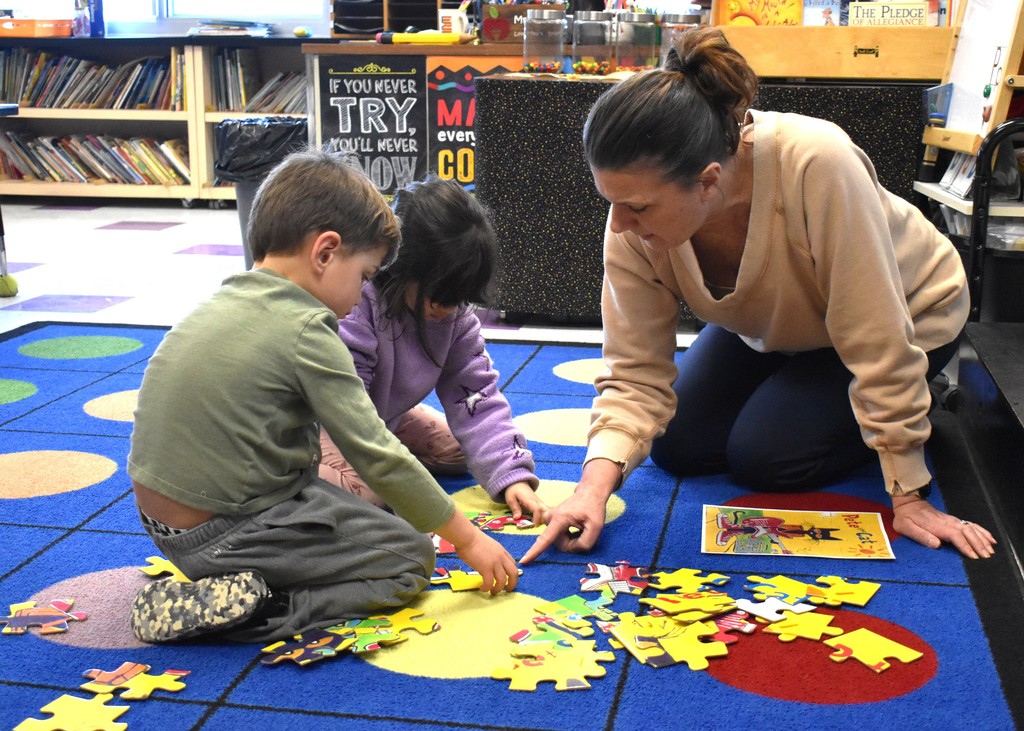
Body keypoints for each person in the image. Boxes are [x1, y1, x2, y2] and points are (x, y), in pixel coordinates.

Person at [521, 27, 996, 565]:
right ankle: (803, 390)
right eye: (611, 201)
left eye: (639, 207)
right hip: (778, 323)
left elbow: (876, 335)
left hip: (909, 313)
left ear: (707, 182)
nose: (620, 224)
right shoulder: (632, 218)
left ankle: (919, 399)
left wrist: (907, 489)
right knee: (679, 446)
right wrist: (592, 492)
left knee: (765, 459)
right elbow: (633, 371)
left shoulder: (820, 164)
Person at [128, 149, 519, 645]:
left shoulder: (224, 298)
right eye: (365, 275)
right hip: (226, 531)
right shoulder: (309, 327)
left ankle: (238, 581)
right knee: (409, 559)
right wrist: (468, 538)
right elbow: (375, 452)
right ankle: (256, 606)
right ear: (325, 252)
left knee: (370, 504)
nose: (362, 293)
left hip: (165, 521)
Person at [317, 175, 550, 525]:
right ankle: (301, 473)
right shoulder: (356, 302)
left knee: (458, 453)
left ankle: (386, 450)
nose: (449, 309)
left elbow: (478, 397)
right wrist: (408, 489)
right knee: (366, 495)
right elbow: (348, 414)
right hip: (323, 423)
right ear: (402, 266)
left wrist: (512, 476)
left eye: (460, 299)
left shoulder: (454, 316)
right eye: (440, 296)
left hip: (378, 417)